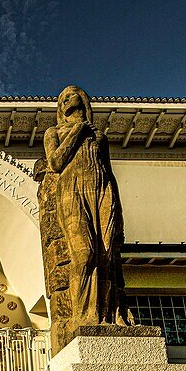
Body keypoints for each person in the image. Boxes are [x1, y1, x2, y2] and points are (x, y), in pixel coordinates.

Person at [40, 85, 130, 352]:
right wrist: (78, 131)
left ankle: (107, 315)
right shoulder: (54, 133)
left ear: (82, 99)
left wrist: (119, 214)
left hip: (102, 190)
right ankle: (83, 315)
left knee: (106, 255)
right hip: (71, 191)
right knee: (84, 253)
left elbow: (109, 171)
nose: (67, 99)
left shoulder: (99, 136)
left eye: (71, 94)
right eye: (62, 98)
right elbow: (55, 163)